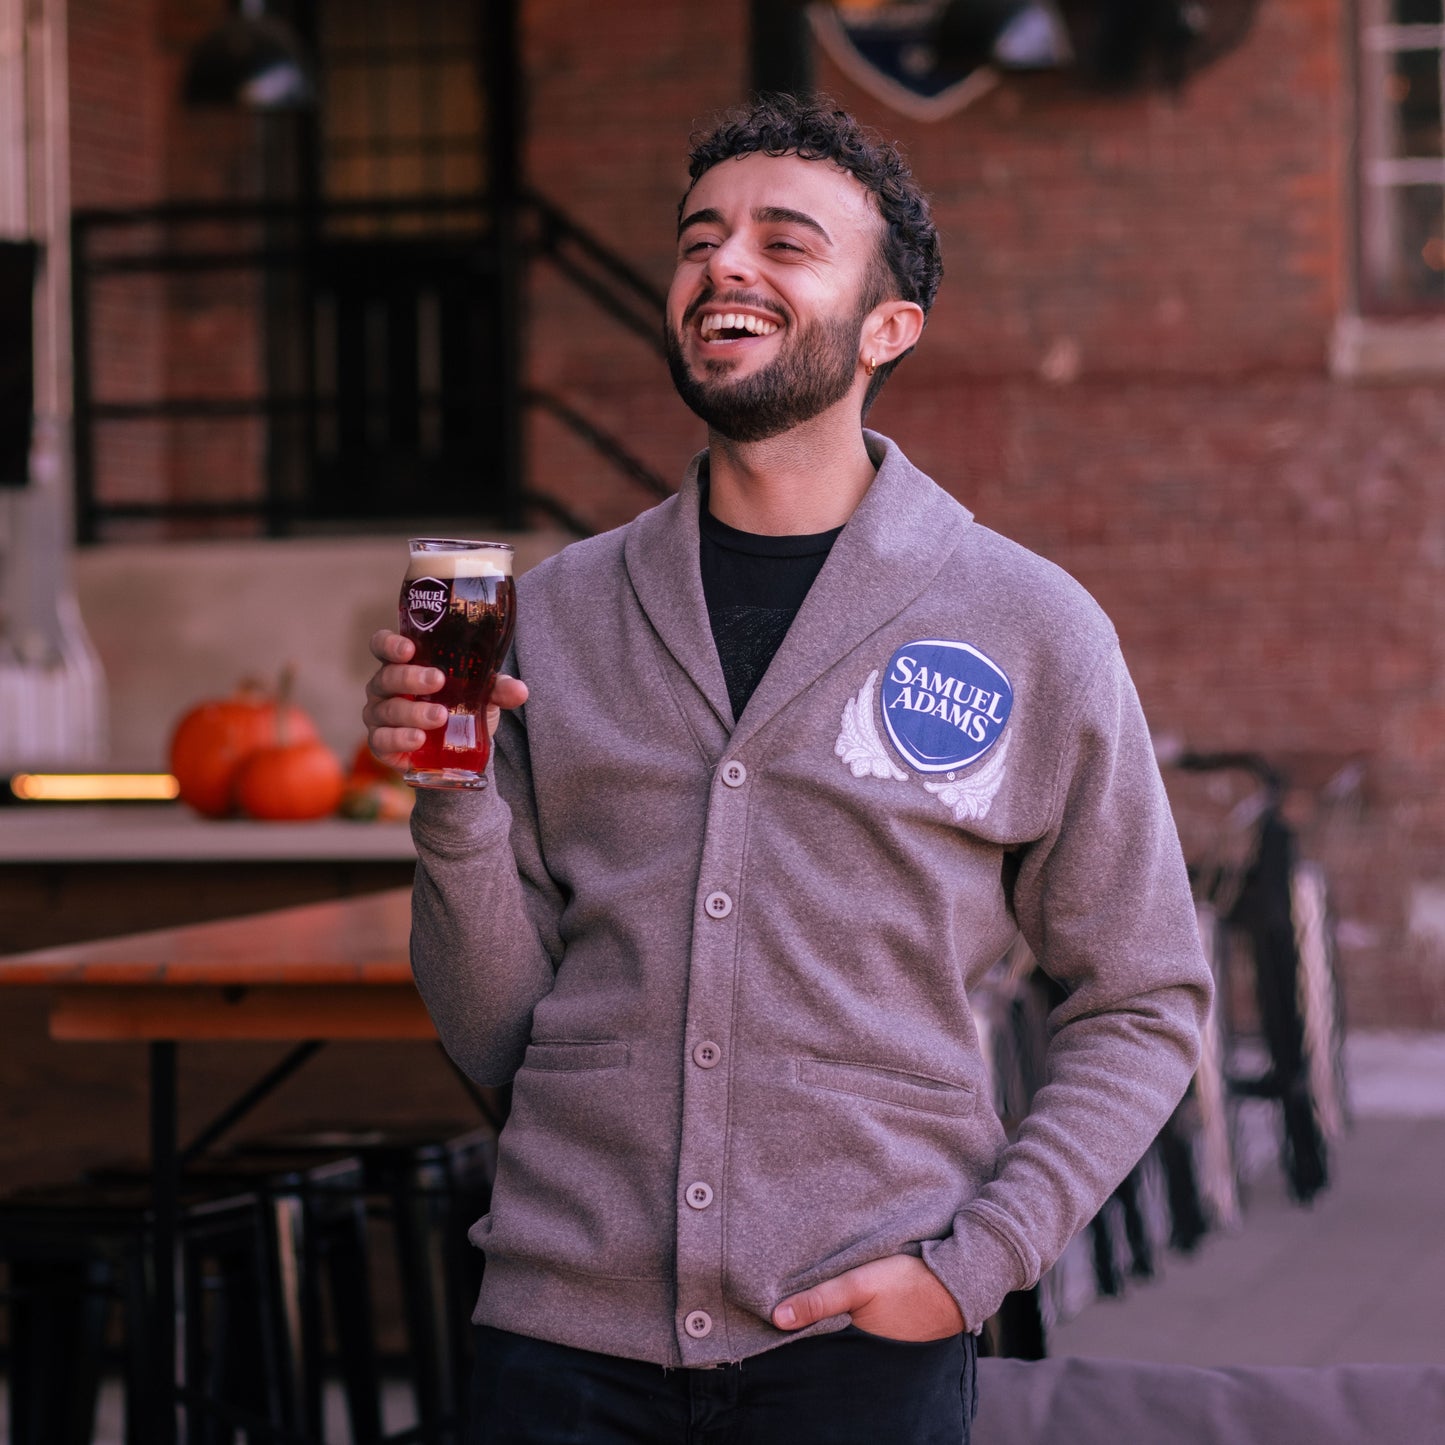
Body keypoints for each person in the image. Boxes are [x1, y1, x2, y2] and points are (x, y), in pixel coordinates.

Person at [363, 95, 1212, 1445]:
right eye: (699, 238)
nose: (725, 264)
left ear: (889, 327)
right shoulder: (560, 615)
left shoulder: (1025, 624)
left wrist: (972, 1264)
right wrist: (450, 801)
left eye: (784, 239)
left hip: (857, 1348)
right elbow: (500, 1038)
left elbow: (1144, 992)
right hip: (554, 1344)